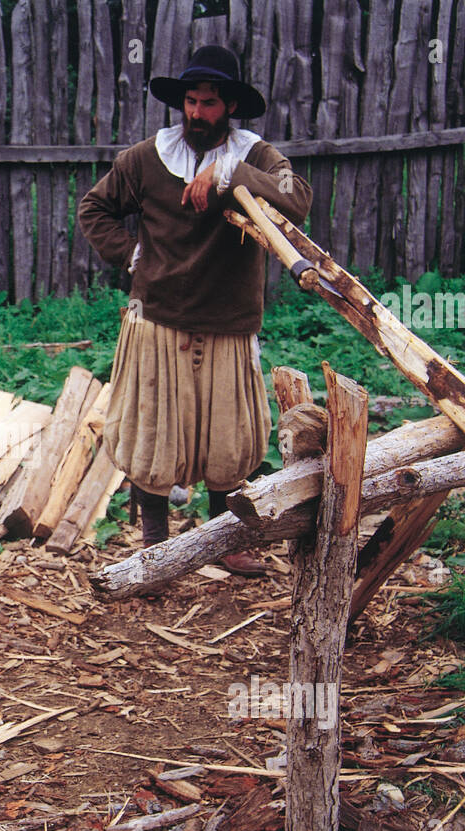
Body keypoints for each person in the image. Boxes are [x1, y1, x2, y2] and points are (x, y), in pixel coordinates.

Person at [78, 45, 312, 576]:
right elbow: (95, 208)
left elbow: (295, 198)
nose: (196, 113)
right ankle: (156, 544)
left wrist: (229, 176)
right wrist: (133, 254)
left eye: (208, 103)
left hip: (228, 320)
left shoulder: (254, 155)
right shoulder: (145, 158)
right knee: (152, 433)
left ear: (229, 106)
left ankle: (220, 541)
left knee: (227, 438)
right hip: (158, 316)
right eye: (189, 101)